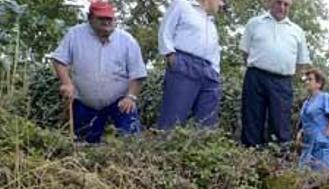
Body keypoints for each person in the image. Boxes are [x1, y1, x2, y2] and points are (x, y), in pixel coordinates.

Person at [50, 1, 147, 144]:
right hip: (85, 102)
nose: (107, 22)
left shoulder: (127, 41)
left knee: (131, 143)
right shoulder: (75, 35)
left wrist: (131, 97)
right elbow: (59, 60)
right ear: (90, 18)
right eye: (102, 18)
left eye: (110, 18)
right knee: (84, 145)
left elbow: (138, 74)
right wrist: (66, 83)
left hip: (120, 102)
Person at [239, 0, 311, 148]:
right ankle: (249, 159)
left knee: (280, 124)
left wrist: (285, 73)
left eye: (286, 4)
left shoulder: (297, 31)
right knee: (252, 120)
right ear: (271, 3)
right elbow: (245, 52)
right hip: (255, 77)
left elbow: (302, 62)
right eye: (279, 2)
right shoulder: (254, 23)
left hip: (282, 81)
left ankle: (277, 164)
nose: (282, 7)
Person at [157, 0, 224, 130]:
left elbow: (214, 50)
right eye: (222, 1)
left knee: (207, 123)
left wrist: (215, 71)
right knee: (173, 119)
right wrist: (170, 56)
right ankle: (164, 147)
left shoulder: (210, 23)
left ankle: (203, 149)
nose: (222, 5)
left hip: (209, 72)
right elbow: (165, 30)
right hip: (184, 64)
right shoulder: (182, 4)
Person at [298, 69, 329, 175]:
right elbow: (308, 120)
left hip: (322, 140)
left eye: (310, 79)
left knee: (324, 171)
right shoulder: (306, 102)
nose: (307, 82)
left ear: (319, 83)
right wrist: (301, 132)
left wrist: (326, 134)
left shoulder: (325, 97)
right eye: (306, 80)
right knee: (305, 172)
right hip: (308, 142)